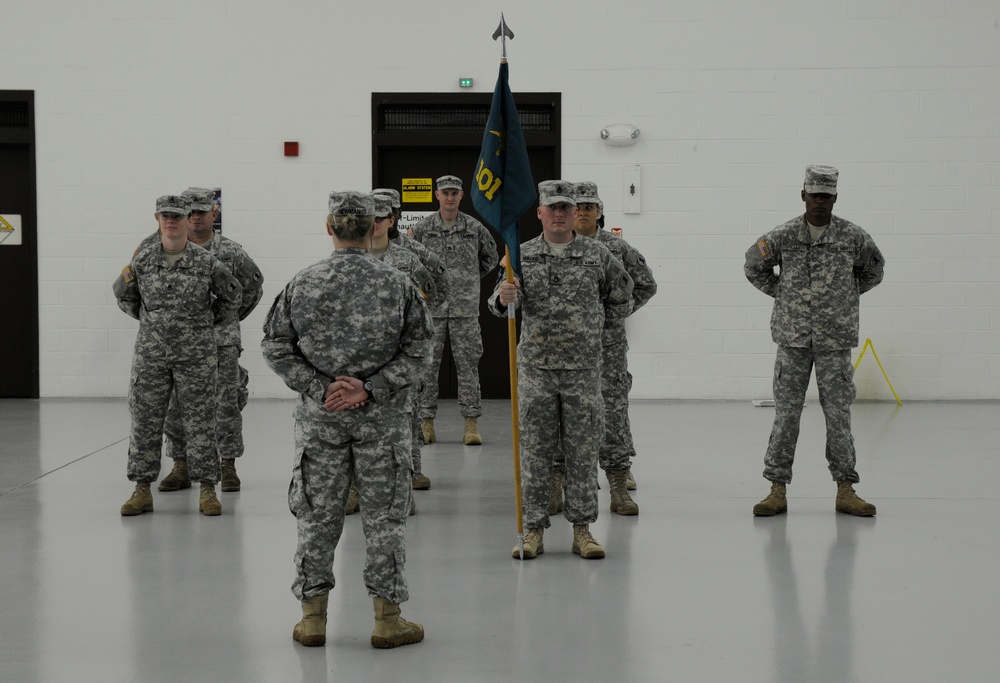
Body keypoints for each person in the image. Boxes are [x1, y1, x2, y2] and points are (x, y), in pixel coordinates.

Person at [261, 191, 433, 649]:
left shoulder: (304, 282)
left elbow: (275, 345)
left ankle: (313, 620)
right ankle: (387, 620)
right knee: (384, 518)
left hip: (322, 419)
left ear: (329, 227)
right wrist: (370, 387)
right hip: (383, 420)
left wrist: (321, 387)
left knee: (316, 516)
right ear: (376, 226)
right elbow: (420, 350)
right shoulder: (398, 283)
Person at [489, 180, 633, 560]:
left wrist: (592, 330)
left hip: (583, 371)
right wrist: (503, 299)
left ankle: (583, 530)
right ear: (539, 213)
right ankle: (533, 531)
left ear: (575, 213)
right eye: (551, 208)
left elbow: (622, 296)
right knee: (535, 453)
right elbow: (497, 303)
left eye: (566, 208)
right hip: (536, 369)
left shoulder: (598, 255)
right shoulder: (519, 255)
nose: (558, 214)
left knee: (582, 452)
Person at [744, 165, 885, 517]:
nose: (819, 201)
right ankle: (776, 489)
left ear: (835, 197)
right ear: (803, 195)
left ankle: (846, 489)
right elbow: (753, 265)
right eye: (814, 194)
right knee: (786, 414)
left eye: (826, 195)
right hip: (793, 339)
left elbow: (874, 270)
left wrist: (845, 298)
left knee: (838, 415)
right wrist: (784, 294)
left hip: (835, 341)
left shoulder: (853, 237)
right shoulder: (785, 235)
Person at [113, 195, 242, 517]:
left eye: (177, 216)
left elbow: (232, 296)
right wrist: (154, 322)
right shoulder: (142, 260)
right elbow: (124, 296)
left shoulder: (206, 262)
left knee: (200, 422)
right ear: (157, 218)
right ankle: (142, 488)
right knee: (145, 421)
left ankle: (208, 489)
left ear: (188, 220)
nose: (171, 221)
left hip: (196, 356)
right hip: (152, 355)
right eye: (165, 216)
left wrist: (203, 323)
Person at [149, 187, 264, 494]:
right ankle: (181, 465)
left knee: (225, 402)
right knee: (176, 406)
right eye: (193, 212)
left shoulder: (231, 252)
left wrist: (226, 318)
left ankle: (227, 465)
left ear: (215, 213)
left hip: (219, 342)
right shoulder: (158, 249)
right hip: (176, 343)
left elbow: (252, 289)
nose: (197, 218)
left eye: (203, 212)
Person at [553, 180, 656, 517]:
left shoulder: (616, 248)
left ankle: (617, 477)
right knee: (561, 413)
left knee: (612, 409)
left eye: (589, 207)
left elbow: (645, 285)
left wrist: (613, 315)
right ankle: (558, 479)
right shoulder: (556, 246)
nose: (582, 212)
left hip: (606, 346)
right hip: (563, 347)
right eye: (577, 207)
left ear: (599, 211)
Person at [344, 193, 441, 515]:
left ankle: (404, 483)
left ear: (391, 221)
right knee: (356, 421)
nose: (376, 224)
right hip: (357, 356)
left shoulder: (407, 261)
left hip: (398, 357)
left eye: (382, 218)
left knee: (402, 420)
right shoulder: (350, 260)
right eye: (370, 219)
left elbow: (433, 292)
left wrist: (414, 330)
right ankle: (356, 488)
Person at [411, 175, 498, 445]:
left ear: (462, 196)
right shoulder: (422, 229)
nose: (449, 197)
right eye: (445, 192)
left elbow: (491, 258)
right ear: (437, 195)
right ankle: (426, 424)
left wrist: (468, 280)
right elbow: (412, 261)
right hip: (432, 311)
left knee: (469, 367)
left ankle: (471, 425)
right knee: (426, 367)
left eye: (454, 193)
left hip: (465, 310)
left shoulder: (474, 228)